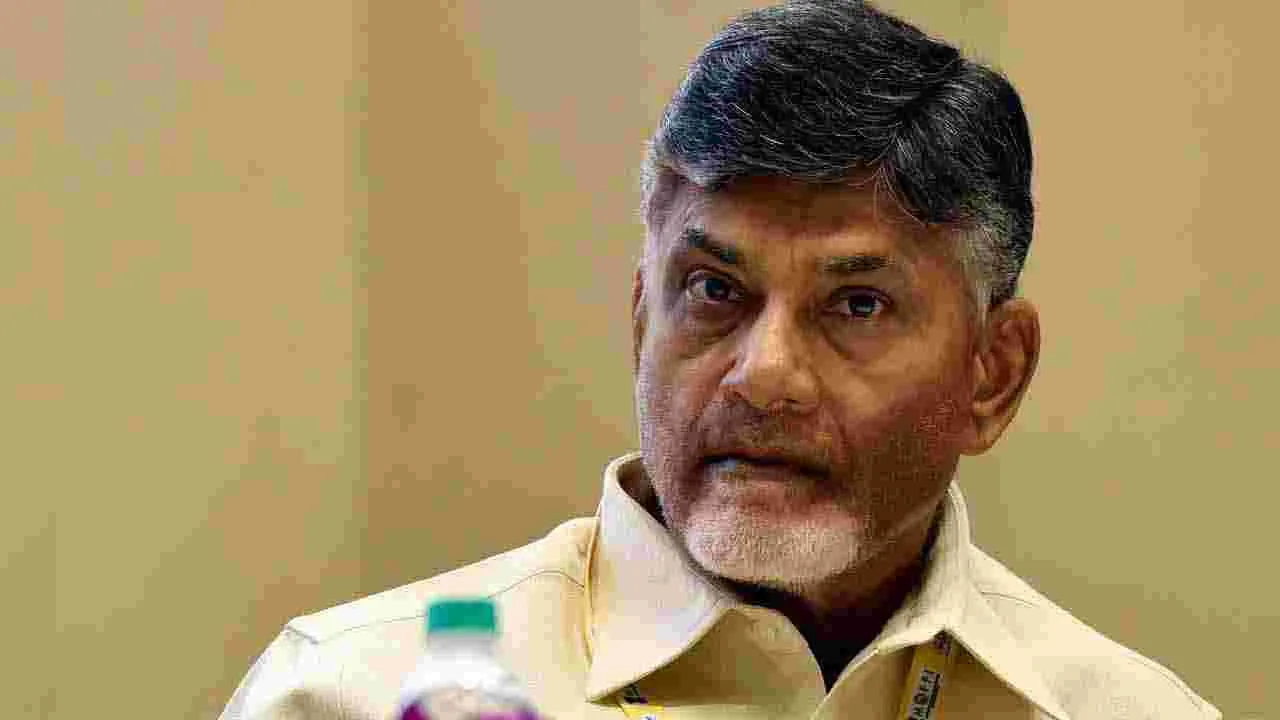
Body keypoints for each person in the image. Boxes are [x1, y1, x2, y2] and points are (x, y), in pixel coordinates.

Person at [220, 2, 1220, 718]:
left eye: (856, 305)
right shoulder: (350, 694)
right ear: (639, 323)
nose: (763, 373)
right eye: (712, 291)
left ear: (991, 374)